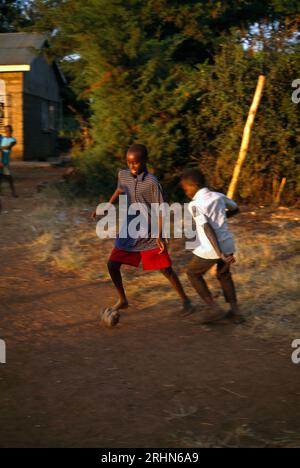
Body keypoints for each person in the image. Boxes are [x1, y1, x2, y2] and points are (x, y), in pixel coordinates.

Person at [93, 144, 192, 314]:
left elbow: (162, 209)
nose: (132, 166)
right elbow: (119, 189)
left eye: (136, 163)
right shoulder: (123, 175)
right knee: (112, 264)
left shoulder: (152, 182)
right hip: (130, 230)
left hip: (150, 231)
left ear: (145, 161)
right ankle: (122, 299)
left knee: (165, 269)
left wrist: (160, 236)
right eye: (129, 162)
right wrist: (107, 205)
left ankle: (186, 300)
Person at [181, 168, 243, 324]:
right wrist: (221, 218)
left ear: (194, 185)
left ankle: (214, 308)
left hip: (211, 248)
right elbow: (235, 208)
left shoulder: (195, 204)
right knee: (224, 275)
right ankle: (235, 312)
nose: (186, 192)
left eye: (186, 188)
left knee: (192, 273)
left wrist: (218, 252)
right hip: (228, 243)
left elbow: (207, 228)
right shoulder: (218, 196)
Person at [0, 125, 18, 198]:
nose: (7, 132)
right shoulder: (2, 138)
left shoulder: (13, 140)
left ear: (11, 131)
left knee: (8, 176)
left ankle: (13, 192)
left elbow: (9, 147)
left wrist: (1, 148)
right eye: (6, 130)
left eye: (9, 130)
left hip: (5, 160)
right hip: (0, 159)